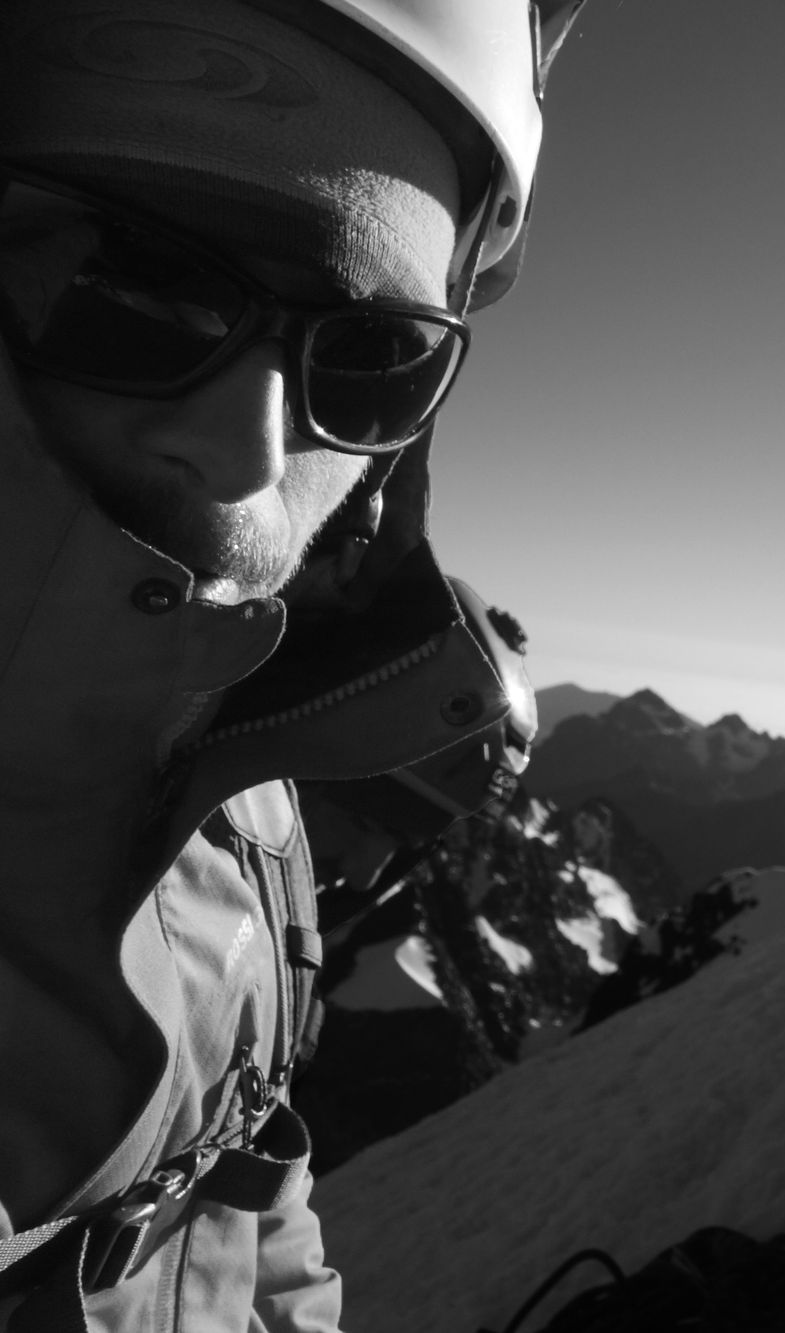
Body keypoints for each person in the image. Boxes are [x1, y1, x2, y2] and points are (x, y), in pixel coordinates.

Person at [0, 1, 584, 1327]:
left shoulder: (241, 777)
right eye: (126, 282)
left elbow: (236, 1188)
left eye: (375, 358)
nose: (253, 455)